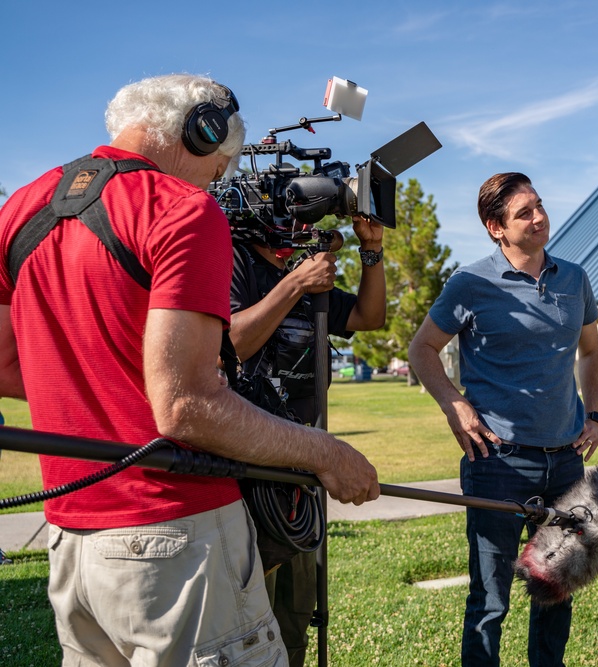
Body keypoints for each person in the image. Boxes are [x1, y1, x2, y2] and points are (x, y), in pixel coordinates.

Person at [0, 74, 379, 666]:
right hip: (178, 537)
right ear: (203, 135)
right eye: (221, 165)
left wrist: (121, 383)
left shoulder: (21, 208)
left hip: (70, 545)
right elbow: (186, 406)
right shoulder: (184, 211)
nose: (220, 181)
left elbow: (5, 365)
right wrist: (326, 453)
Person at [408, 172, 598, 667]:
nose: (539, 218)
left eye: (539, 206)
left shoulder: (574, 278)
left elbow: (593, 351)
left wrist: (596, 414)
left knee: (555, 590)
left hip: (564, 464)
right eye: (524, 213)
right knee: (490, 601)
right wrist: (456, 406)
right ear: (495, 227)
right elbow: (423, 349)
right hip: (497, 463)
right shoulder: (470, 284)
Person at [228, 215, 386, 666]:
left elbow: (368, 316)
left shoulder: (301, 273)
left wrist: (370, 251)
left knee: (294, 614)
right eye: (293, 217)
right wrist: (295, 284)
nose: (304, 228)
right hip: (248, 465)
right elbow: (232, 343)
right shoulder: (235, 262)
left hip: (303, 467)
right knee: (249, 609)